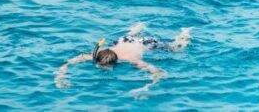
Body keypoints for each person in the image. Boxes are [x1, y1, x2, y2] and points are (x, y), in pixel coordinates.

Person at [55, 23, 192, 96]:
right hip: (124, 40)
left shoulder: (131, 59)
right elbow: (68, 63)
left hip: (145, 43)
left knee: (176, 49)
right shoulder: (95, 54)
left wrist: (145, 88)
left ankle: (185, 33)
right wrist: (60, 78)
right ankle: (139, 26)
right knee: (129, 36)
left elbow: (159, 73)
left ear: (116, 62)